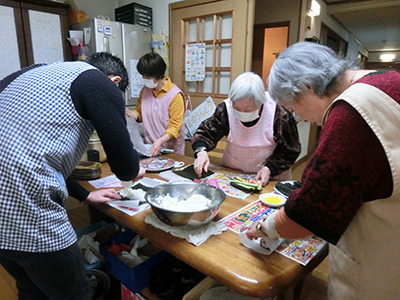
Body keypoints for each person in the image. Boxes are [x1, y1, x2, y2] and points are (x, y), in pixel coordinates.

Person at [245, 42, 400, 299]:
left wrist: (265, 228)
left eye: (295, 109)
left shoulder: (350, 113)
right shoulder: (387, 79)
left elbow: (308, 212)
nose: (301, 119)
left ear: (307, 88)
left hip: (382, 261)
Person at [0, 52, 145, 300]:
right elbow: (125, 166)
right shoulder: (99, 82)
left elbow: (32, 157)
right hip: (25, 213)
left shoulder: (30, 73)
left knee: (30, 287)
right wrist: (135, 168)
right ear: (115, 81)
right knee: (75, 294)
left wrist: (85, 195)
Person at [191, 72, 300, 186]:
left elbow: (290, 149)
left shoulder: (278, 112)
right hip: (233, 172)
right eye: (237, 108)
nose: (241, 113)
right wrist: (201, 151)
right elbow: (205, 133)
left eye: (248, 109)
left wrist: (270, 168)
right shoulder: (226, 109)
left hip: (271, 176)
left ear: (260, 103)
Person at [125, 52, 186, 156]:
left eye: (147, 76)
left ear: (158, 75)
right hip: (151, 147)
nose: (144, 79)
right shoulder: (145, 91)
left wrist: (160, 141)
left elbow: (175, 127)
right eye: (143, 76)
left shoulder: (175, 95)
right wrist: (129, 113)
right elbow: (139, 113)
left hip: (171, 150)